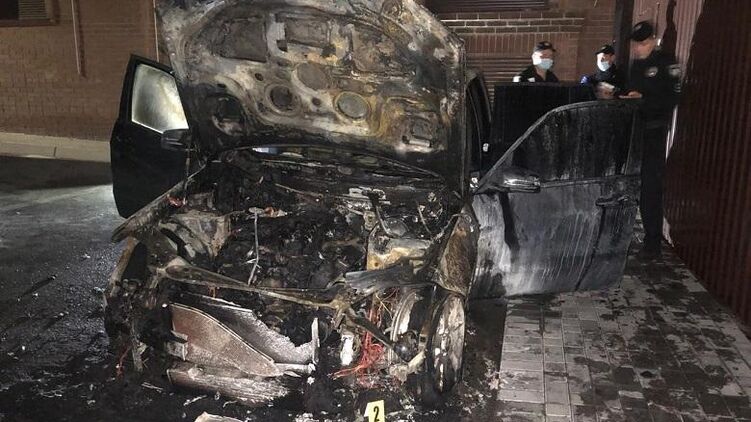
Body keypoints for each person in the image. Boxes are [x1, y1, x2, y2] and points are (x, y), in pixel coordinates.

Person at [620, 21, 681, 260]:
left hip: (654, 133)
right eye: (636, 44)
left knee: (650, 188)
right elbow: (630, 92)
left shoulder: (666, 63)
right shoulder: (635, 65)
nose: (638, 48)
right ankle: (624, 238)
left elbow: (672, 99)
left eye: (643, 43)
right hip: (633, 133)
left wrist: (644, 99)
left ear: (653, 40)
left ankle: (652, 243)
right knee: (628, 186)